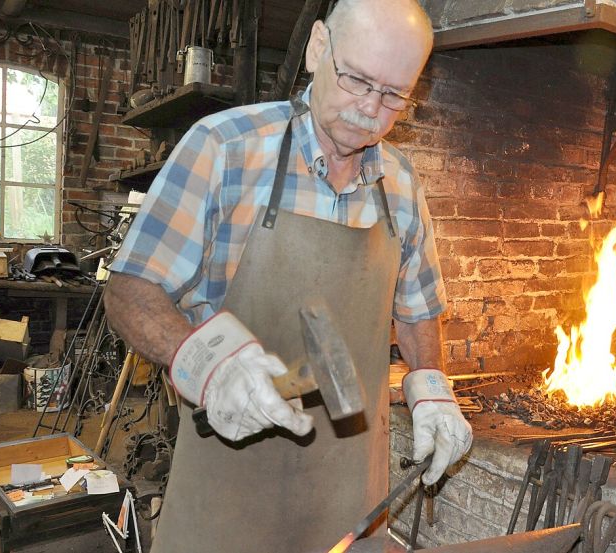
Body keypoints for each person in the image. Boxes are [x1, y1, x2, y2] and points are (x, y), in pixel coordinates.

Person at [103, 0, 472, 551]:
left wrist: (431, 387)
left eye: (394, 95)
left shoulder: (401, 184)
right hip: (227, 489)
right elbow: (129, 290)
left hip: (348, 498)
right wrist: (203, 364)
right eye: (357, 80)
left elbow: (417, 310)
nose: (370, 108)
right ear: (318, 47)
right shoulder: (225, 147)